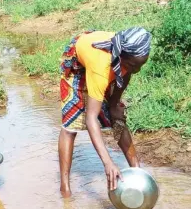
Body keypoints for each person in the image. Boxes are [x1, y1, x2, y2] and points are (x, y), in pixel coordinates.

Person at [58, 27, 151, 198]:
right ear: (120, 56)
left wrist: (115, 104)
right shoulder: (101, 66)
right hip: (78, 63)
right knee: (71, 124)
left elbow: (124, 78)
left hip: (106, 63)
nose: (136, 70)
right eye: (132, 65)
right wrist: (108, 163)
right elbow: (91, 119)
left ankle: (137, 169)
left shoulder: (129, 61)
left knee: (116, 116)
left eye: (140, 65)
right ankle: (65, 188)